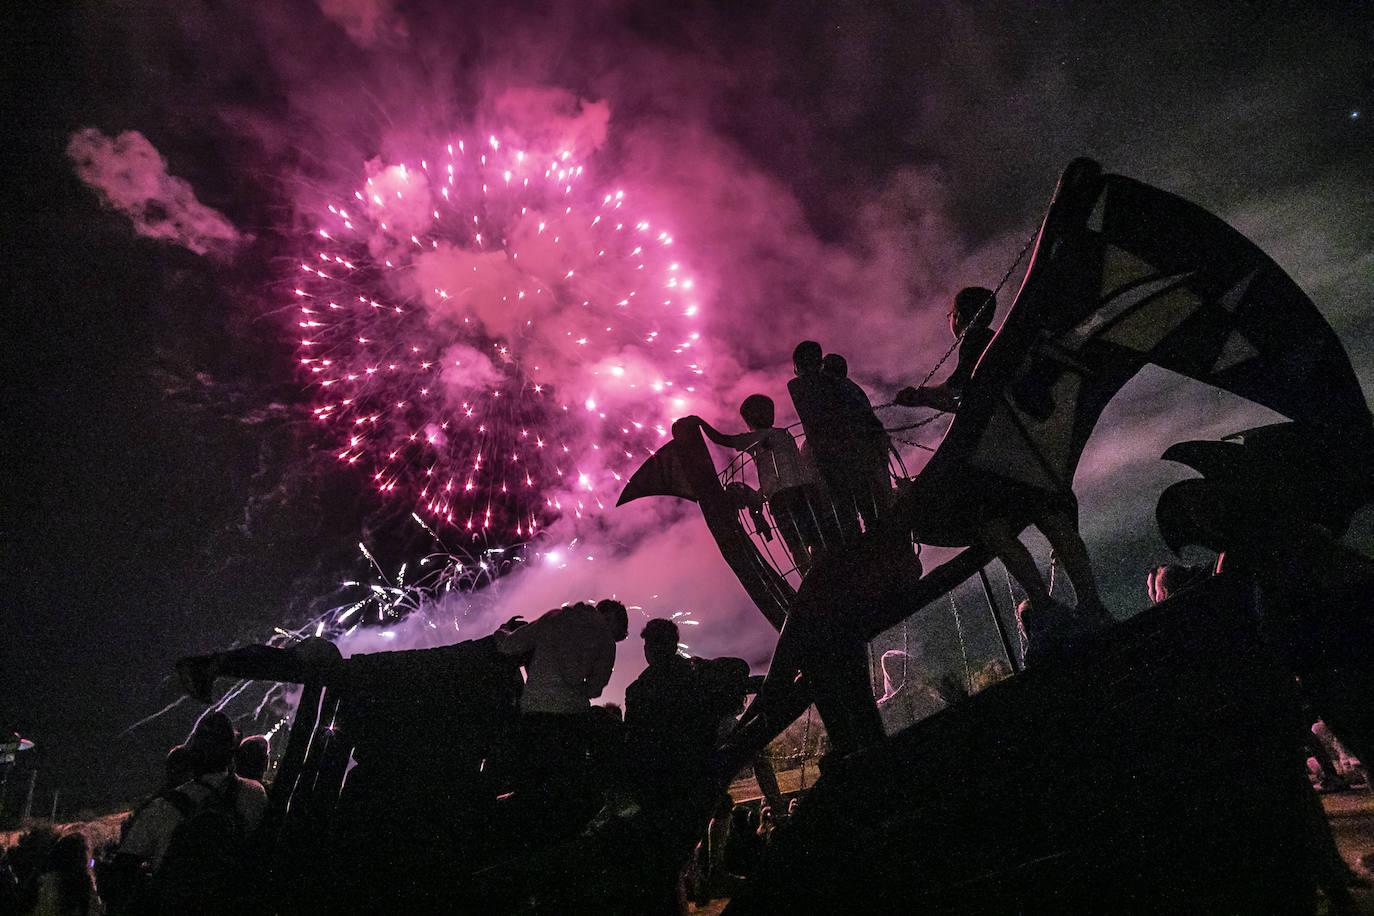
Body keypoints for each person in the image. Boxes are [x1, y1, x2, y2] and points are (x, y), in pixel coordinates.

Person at [896, 288, 1111, 631]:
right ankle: (1091, 603)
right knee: (1050, 516)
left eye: (950, 315)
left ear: (960, 318)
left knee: (992, 526)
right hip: (1031, 447)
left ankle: (1042, 601)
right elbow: (966, 402)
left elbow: (955, 391)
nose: (950, 321)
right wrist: (926, 401)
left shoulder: (976, 340)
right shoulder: (1006, 342)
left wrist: (918, 395)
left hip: (999, 454)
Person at [109, 711, 268, 916]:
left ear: (193, 755)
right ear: (231, 752)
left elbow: (121, 873)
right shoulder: (256, 794)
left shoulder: (161, 808)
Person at [494, 599, 629, 799]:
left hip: (534, 712)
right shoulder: (606, 639)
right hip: (570, 719)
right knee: (562, 789)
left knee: (530, 784)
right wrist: (574, 688)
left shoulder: (553, 617)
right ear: (612, 621)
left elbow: (509, 645)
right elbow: (594, 689)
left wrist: (503, 630)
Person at [690, 395, 833, 572]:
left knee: (795, 544)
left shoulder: (754, 438)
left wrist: (700, 423)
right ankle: (826, 570)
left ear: (749, 421)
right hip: (806, 491)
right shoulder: (785, 434)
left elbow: (721, 439)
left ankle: (811, 577)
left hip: (781, 498)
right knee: (816, 537)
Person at [788, 341, 892, 540]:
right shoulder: (841, 385)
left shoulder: (802, 387)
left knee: (845, 506)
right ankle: (876, 536)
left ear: (798, 366)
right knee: (865, 499)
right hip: (855, 451)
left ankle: (858, 544)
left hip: (831, 457)